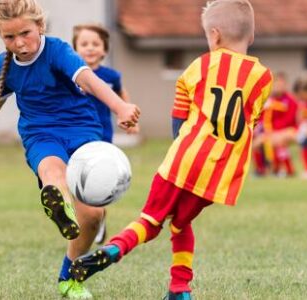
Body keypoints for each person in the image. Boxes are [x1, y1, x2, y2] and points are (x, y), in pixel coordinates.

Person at [69, 1, 272, 299]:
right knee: (180, 223)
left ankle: (114, 249)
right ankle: (180, 289)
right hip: (219, 173)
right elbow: (250, 120)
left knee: (150, 221)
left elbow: (179, 116)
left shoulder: (201, 66)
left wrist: (181, 145)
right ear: (251, 37)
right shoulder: (263, 77)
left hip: (183, 162)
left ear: (214, 36)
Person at [0, 0, 140, 298]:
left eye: (25, 33)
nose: (19, 43)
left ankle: (70, 276)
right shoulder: (3, 65)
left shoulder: (57, 50)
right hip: (40, 134)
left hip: (82, 131)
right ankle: (58, 202)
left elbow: (89, 80)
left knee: (94, 216)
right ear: (0, 36)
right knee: (51, 169)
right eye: (9, 37)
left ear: (40, 27)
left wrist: (120, 106)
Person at [71, 23, 140, 245]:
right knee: (75, 180)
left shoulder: (111, 76)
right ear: (75, 49)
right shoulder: (71, 75)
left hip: (102, 138)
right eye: (84, 44)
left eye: (95, 44)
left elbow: (121, 93)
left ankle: (98, 218)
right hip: (75, 136)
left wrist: (128, 117)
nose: (90, 48)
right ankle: (83, 218)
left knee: (99, 181)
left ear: (104, 50)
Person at [252, 72, 298, 177]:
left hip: (288, 130)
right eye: (277, 85)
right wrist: (259, 129)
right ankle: (262, 170)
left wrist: (273, 131)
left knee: (278, 140)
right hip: (269, 132)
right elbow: (260, 118)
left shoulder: (291, 101)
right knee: (257, 143)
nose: (279, 87)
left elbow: (289, 120)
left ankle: (287, 169)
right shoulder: (267, 100)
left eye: (281, 85)